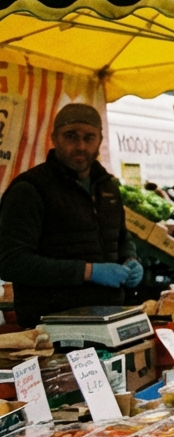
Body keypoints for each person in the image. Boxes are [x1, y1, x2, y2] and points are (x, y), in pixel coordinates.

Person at [0, 104, 143, 327]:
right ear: (54, 138)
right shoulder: (29, 189)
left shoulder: (107, 187)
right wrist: (87, 271)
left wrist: (131, 259)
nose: (81, 146)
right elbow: (11, 261)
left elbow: (121, 236)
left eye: (89, 137)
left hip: (109, 317)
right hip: (52, 326)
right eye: (71, 136)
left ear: (100, 140)